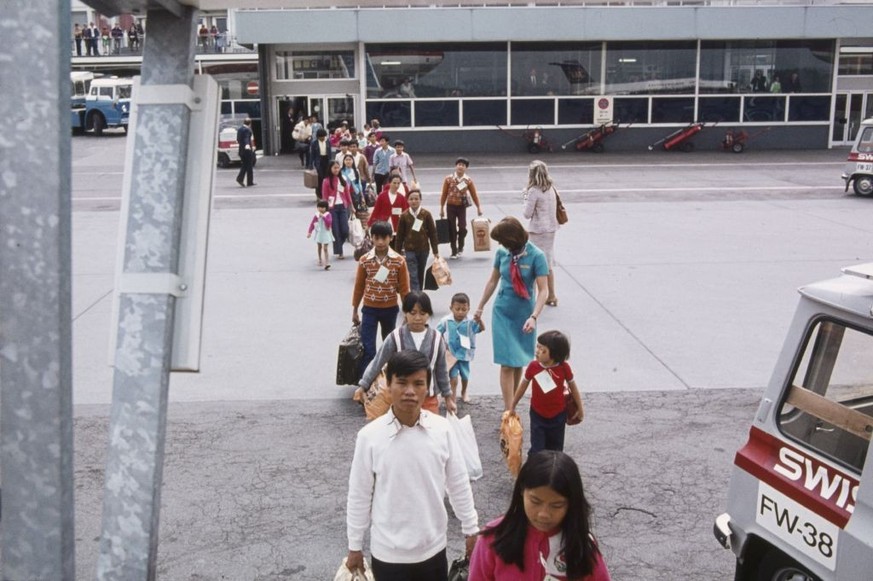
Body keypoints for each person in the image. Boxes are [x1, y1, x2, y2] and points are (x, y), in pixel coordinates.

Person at [346, 350, 478, 581]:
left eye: (418, 383)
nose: (409, 391)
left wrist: (471, 528)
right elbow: (359, 494)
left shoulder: (442, 430)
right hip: (388, 556)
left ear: (427, 388)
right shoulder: (369, 437)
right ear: (388, 384)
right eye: (401, 382)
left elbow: (458, 483)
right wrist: (354, 545)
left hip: (434, 551)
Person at [468, 450, 611, 581]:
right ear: (522, 491)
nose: (544, 514)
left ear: (572, 504)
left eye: (556, 505)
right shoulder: (494, 538)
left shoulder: (580, 544)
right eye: (535, 501)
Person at [473, 217, 549, 410]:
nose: (501, 245)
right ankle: (508, 411)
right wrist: (480, 306)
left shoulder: (537, 256)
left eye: (504, 242)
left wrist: (534, 316)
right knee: (507, 363)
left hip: (524, 313)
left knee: (518, 362)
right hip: (502, 311)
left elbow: (543, 290)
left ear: (513, 239)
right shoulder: (502, 253)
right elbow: (493, 281)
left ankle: (513, 404)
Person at [356, 291, 457, 415]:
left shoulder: (437, 338)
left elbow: (442, 370)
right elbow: (378, 361)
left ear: (428, 314)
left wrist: (448, 398)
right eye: (413, 313)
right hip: (401, 399)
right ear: (405, 314)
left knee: (428, 432)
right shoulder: (395, 337)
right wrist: (363, 385)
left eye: (422, 313)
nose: (418, 318)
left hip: (428, 399)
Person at [509, 330, 583, 454]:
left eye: (542, 349)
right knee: (537, 449)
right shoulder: (533, 367)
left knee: (556, 449)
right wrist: (513, 405)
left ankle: (552, 471)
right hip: (537, 414)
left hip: (558, 415)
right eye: (537, 347)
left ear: (554, 354)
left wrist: (580, 409)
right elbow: (522, 386)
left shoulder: (564, 368)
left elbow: (573, 388)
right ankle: (535, 471)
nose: (537, 351)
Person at [352, 221, 411, 376]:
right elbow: (359, 287)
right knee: (368, 349)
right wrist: (355, 310)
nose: (380, 242)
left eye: (384, 238)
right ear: (371, 238)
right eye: (376, 238)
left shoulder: (399, 261)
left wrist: (408, 312)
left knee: (390, 346)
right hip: (369, 310)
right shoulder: (364, 260)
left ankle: (389, 381)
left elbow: (405, 289)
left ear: (390, 238)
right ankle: (365, 384)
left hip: (390, 310)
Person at [523, 160, 560, 307]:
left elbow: (527, 214)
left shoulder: (533, 191)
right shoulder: (551, 188)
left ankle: (532, 296)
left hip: (537, 231)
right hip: (551, 228)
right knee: (547, 262)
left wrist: (525, 197)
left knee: (533, 264)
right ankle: (551, 295)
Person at [436, 293, 484, 403]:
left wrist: (479, 320)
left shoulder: (470, 321)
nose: (460, 312)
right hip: (452, 354)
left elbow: (480, 329)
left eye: (464, 309)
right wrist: (443, 344)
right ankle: (453, 396)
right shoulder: (446, 321)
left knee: (465, 376)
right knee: (453, 377)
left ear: (468, 309)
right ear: (451, 308)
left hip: (465, 353)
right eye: (457, 309)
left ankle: (464, 391)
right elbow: (437, 332)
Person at [394, 189, 440, 292]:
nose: (414, 201)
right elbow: (399, 236)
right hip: (409, 250)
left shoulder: (426, 214)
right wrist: (397, 252)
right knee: (412, 274)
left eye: (416, 199)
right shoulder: (404, 216)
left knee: (420, 272)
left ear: (420, 200)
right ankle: (416, 296)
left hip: (424, 249)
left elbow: (433, 233)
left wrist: (435, 251)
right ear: (408, 201)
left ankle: (419, 293)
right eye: (411, 199)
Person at [440, 157, 483, 260]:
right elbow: (444, 194)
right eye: (459, 164)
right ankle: (453, 250)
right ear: (456, 166)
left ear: (466, 168)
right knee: (452, 228)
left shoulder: (468, 180)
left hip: (461, 207)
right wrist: (441, 208)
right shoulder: (448, 179)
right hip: (450, 206)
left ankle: (461, 246)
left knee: (462, 227)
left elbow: (474, 194)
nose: (460, 167)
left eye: (463, 165)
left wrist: (478, 207)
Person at [323, 161, 352, 260]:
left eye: (338, 168)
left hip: (343, 207)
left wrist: (351, 206)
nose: (336, 170)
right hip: (332, 208)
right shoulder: (326, 181)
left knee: (345, 230)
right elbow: (325, 196)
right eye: (334, 168)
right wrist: (324, 210)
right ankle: (339, 251)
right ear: (330, 169)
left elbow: (347, 193)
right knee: (336, 230)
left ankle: (338, 244)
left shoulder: (343, 179)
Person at [306, 199, 334, 270]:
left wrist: (323, 216)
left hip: (326, 232)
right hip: (319, 232)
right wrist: (309, 232)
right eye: (319, 207)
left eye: (322, 207)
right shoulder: (316, 215)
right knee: (319, 246)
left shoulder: (328, 215)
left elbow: (329, 223)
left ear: (326, 208)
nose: (321, 209)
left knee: (325, 248)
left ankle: (327, 262)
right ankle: (320, 259)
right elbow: (312, 223)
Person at [309, 128, 333, 200]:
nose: (323, 138)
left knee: (327, 178)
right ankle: (318, 195)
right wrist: (311, 164)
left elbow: (330, 153)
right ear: (318, 137)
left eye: (324, 136)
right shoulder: (314, 143)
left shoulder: (328, 142)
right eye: (321, 137)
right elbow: (312, 154)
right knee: (320, 179)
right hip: (319, 161)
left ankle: (326, 193)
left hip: (326, 160)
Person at [235, 118, 255, 188]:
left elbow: (238, 139)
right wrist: (247, 145)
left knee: (245, 165)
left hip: (241, 150)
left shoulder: (240, 129)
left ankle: (243, 179)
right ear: (250, 123)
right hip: (247, 150)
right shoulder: (247, 130)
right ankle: (248, 181)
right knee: (249, 165)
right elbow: (246, 138)